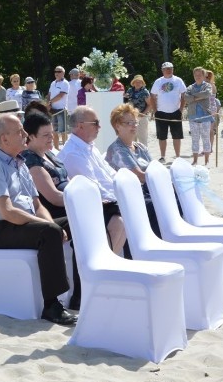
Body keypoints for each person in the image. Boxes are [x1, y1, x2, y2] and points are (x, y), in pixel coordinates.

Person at [0, 114, 77, 325]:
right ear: (4, 139)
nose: (24, 135)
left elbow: (37, 205)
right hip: (0, 228)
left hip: (22, 222)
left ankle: (81, 291)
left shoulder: (19, 161)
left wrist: (50, 222)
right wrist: (48, 225)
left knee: (76, 222)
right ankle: (52, 305)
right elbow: (7, 211)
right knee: (49, 233)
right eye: (19, 132)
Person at [21, 112, 82, 310]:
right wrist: (86, 202)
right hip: (52, 212)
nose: (52, 138)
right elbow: (53, 196)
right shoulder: (31, 161)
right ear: (30, 137)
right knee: (87, 224)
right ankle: (78, 294)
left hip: (68, 206)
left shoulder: (49, 154)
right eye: (46, 135)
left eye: (52, 133)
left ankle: (87, 285)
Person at [56, 106, 128, 256]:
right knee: (121, 218)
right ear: (80, 126)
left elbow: (112, 176)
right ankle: (105, 268)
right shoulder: (73, 154)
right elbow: (93, 190)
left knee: (141, 204)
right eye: (95, 123)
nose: (99, 126)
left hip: (106, 200)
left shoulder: (89, 147)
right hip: (92, 205)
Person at [104, 104, 166, 238]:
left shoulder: (140, 147)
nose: (134, 126)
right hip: (132, 194)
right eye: (128, 123)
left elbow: (155, 170)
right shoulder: (118, 149)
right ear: (117, 126)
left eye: (135, 122)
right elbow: (140, 177)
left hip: (147, 190)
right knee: (157, 204)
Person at [150, 61, 187, 163]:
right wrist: (155, 110)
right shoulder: (158, 81)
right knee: (162, 136)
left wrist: (181, 109)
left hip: (175, 112)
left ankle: (178, 156)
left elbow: (184, 95)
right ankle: (162, 156)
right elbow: (152, 96)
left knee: (177, 135)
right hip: (161, 112)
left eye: (170, 68)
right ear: (162, 70)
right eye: (166, 68)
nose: (169, 70)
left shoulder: (178, 80)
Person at [184, 67, 214, 166]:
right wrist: (198, 97)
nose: (197, 77)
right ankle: (195, 160)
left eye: (199, 75)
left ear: (204, 75)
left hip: (205, 116)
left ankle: (206, 160)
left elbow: (207, 93)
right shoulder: (190, 87)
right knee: (195, 139)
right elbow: (186, 98)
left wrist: (193, 97)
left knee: (206, 138)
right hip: (193, 117)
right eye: (195, 75)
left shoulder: (208, 85)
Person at [48, 66, 70, 149]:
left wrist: (50, 102)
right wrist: (48, 103)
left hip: (61, 110)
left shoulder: (65, 83)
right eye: (55, 71)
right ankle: (56, 149)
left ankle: (65, 149)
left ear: (63, 73)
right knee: (54, 131)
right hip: (53, 110)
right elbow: (49, 94)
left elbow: (61, 95)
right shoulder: (53, 83)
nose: (56, 73)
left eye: (59, 71)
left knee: (63, 131)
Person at [125, 75, 152, 145]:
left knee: (142, 138)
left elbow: (150, 104)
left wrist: (142, 114)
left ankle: (144, 154)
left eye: (140, 82)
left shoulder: (145, 92)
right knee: (132, 138)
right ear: (133, 83)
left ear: (142, 83)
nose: (138, 83)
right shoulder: (130, 90)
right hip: (131, 117)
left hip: (141, 117)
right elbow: (126, 100)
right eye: (136, 82)